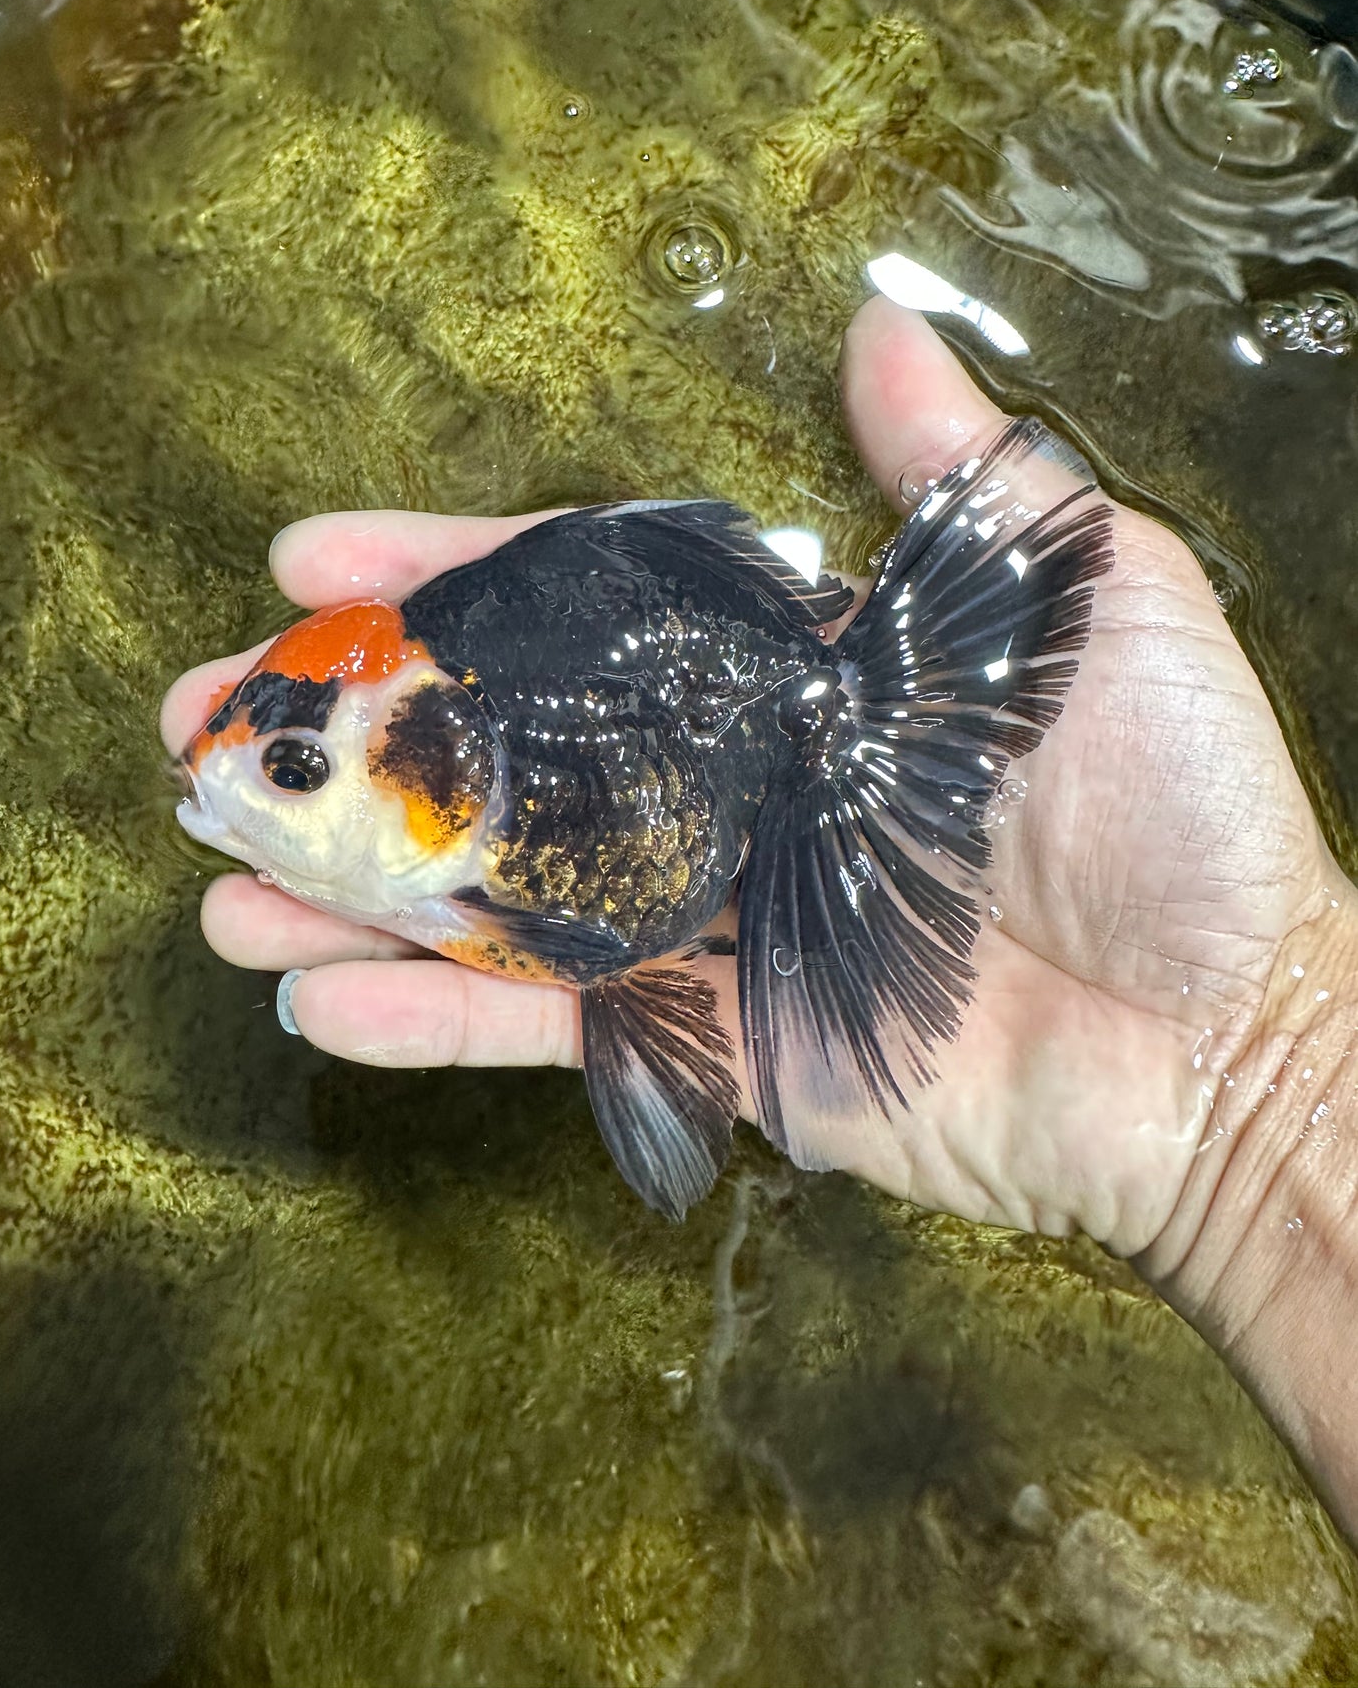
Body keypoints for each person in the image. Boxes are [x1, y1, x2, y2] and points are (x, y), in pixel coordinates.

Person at [162, 296, 1358, 1536]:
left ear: (433, 755)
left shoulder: (492, 779)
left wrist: (1267, 1079)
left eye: (295, 769)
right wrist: (1260, 1091)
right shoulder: (439, 781)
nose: (238, 794)